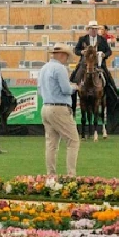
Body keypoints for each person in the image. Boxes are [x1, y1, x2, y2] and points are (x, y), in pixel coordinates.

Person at [39, 43, 80, 177]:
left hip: (46, 106)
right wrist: (75, 87)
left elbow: (39, 90)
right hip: (59, 107)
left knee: (51, 143)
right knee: (73, 141)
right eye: (67, 56)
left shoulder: (44, 68)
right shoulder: (60, 68)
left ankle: (50, 175)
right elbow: (66, 89)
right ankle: (71, 175)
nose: (67, 59)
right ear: (62, 55)